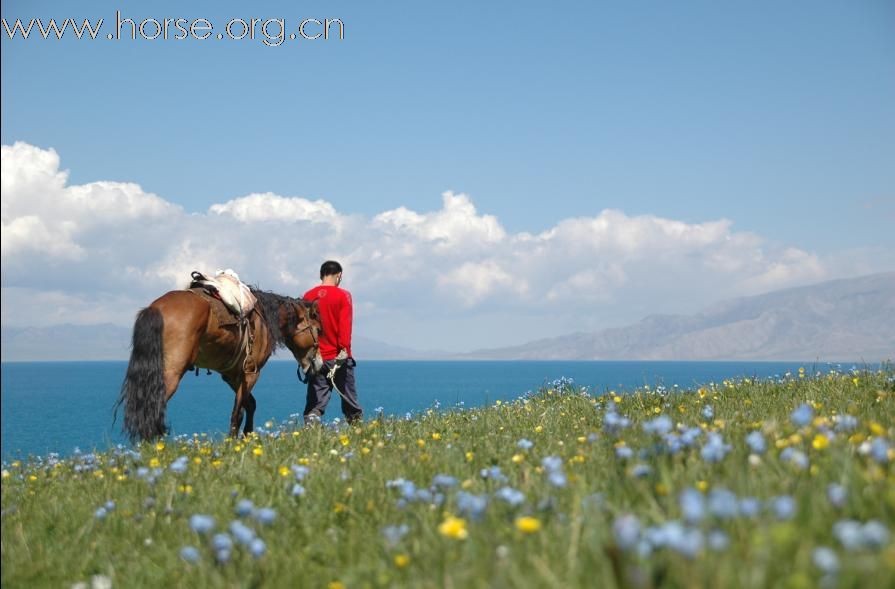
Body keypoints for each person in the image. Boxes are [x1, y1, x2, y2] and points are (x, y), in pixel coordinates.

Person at [301, 260, 363, 424]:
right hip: (338, 358)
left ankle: (311, 437)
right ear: (339, 275)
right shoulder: (343, 295)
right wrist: (344, 350)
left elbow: (304, 329)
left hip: (317, 358)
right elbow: (345, 327)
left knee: (315, 405)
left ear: (321, 275)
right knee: (350, 404)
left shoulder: (307, 296)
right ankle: (359, 435)